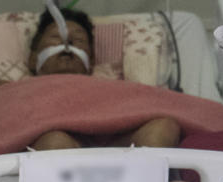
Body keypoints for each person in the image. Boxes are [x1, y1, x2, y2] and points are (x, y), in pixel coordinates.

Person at [18, 8, 182, 152]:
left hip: (115, 146)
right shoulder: (12, 90)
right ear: (33, 58)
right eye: (55, 37)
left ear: (91, 62)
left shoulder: (116, 88)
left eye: (79, 40)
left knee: (163, 128)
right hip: (57, 145)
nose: (67, 42)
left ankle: (152, 181)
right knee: (55, 142)